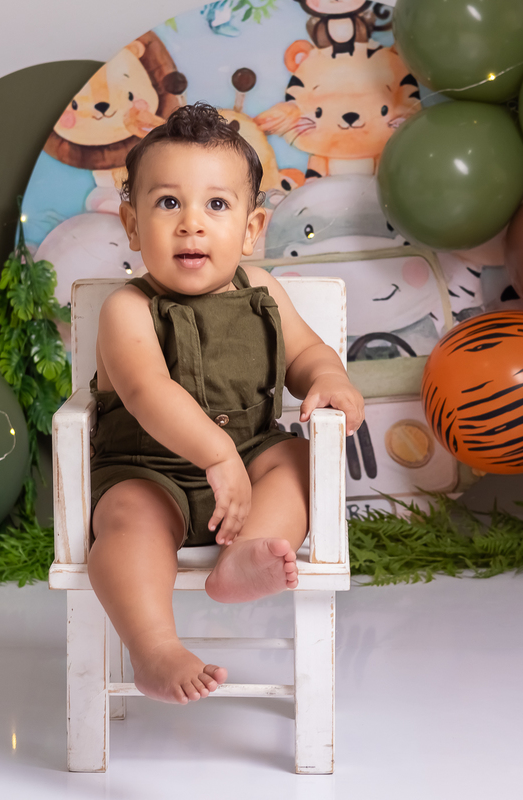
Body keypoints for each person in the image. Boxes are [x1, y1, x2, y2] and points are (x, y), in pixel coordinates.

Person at [86, 103, 365, 705]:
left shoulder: (263, 291)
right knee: (127, 521)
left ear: (251, 227)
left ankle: (245, 554)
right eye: (168, 203)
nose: (192, 224)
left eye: (216, 204)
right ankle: (154, 647)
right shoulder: (126, 310)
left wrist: (329, 378)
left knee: (296, 461)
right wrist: (216, 454)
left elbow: (306, 354)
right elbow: (147, 392)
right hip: (146, 471)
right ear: (132, 224)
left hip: (250, 461)